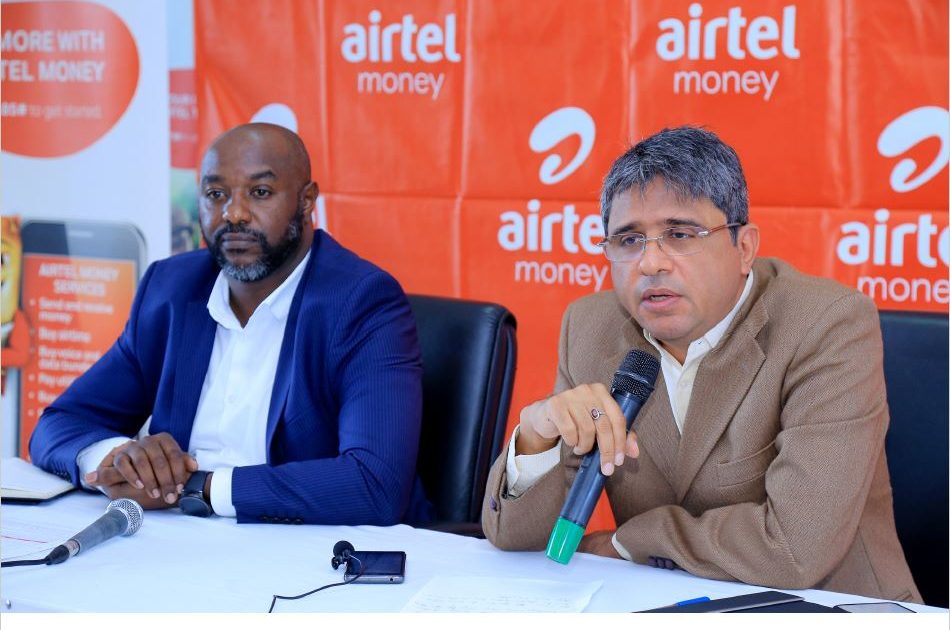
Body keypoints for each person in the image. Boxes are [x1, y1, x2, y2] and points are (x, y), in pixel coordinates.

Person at [481, 126, 920, 602]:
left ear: (744, 248)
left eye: (679, 234)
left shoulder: (826, 323)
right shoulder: (590, 327)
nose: (650, 263)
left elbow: (795, 548)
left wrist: (629, 542)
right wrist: (538, 435)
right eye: (629, 240)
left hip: (829, 606)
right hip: (658, 604)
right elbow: (514, 538)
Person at [30, 123, 431, 526]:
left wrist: (199, 488)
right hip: (174, 542)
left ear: (307, 201)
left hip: (301, 548)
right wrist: (120, 461)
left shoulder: (362, 302)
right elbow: (58, 425)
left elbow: (375, 483)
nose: (234, 214)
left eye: (260, 192)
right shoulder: (170, 290)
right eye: (216, 194)